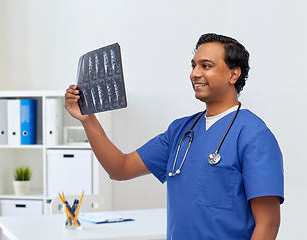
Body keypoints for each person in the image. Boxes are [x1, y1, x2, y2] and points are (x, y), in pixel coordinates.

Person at [65, 33, 284, 240]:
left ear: (233, 74)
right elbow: (120, 168)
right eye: (193, 66)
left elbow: (268, 224)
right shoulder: (180, 131)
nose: (195, 74)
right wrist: (87, 119)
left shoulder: (255, 136)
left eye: (206, 66)